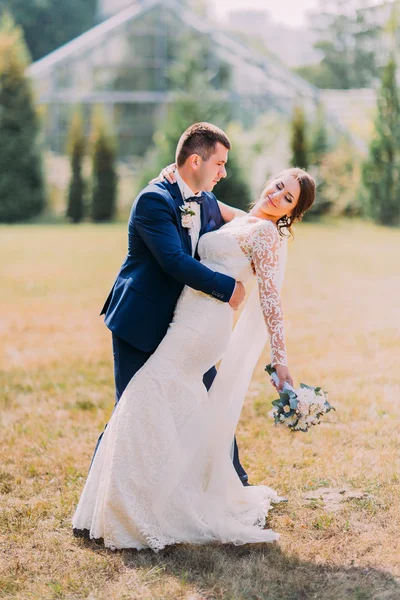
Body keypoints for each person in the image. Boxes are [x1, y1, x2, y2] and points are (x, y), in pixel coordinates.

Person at [72, 153, 316, 550]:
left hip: (204, 327)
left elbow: (270, 299)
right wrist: (169, 173)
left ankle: (140, 506)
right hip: (182, 319)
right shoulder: (239, 218)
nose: (276, 195)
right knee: (173, 406)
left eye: (287, 198)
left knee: (145, 393)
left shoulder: (266, 235)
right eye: (278, 185)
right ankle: (162, 493)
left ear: (292, 213)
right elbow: (195, 193)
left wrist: (282, 360)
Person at [94, 122, 249, 484]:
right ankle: (101, 494)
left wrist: (265, 235)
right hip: (141, 320)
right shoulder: (154, 200)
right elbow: (175, 262)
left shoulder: (203, 199)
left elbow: (242, 220)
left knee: (210, 397)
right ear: (196, 161)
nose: (224, 173)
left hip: (185, 324)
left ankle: (235, 480)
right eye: (220, 164)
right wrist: (229, 288)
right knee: (131, 410)